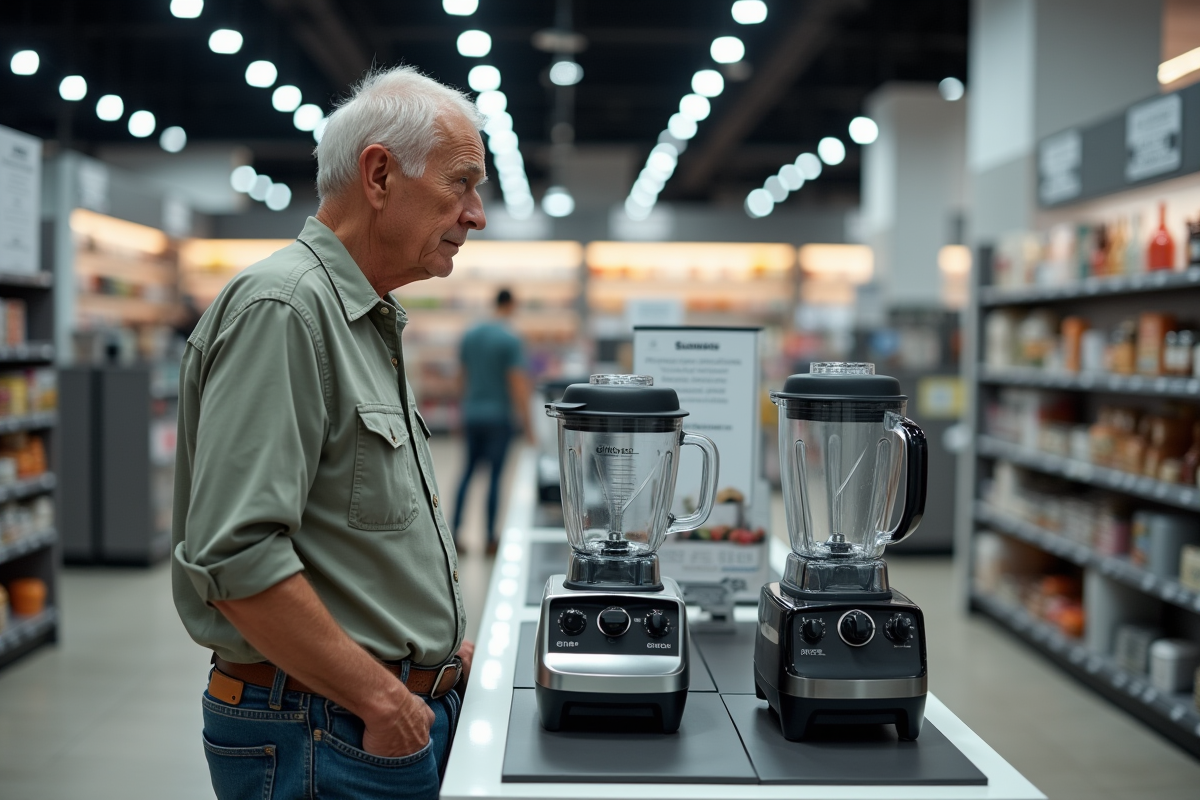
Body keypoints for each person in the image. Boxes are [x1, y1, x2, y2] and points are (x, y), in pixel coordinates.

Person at [171, 65, 486, 800]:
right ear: (379, 175)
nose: (476, 213)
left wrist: (429, 648)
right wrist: (386, 701)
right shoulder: (285, 310)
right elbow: (235, 554)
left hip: (355, 719)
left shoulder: (362, 317)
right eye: (461, 183)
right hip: (323, 731)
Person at [452, 288, 532, 556]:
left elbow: (462, 376)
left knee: (467, 473)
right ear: (509, 305)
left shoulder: (471, 334)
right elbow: (517, 384)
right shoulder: (510, 339)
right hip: (499, 417)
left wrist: (460, 411)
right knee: (495, 478)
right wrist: (529, 425)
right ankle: (489, 539)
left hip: (473, 414)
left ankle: (454, 533)